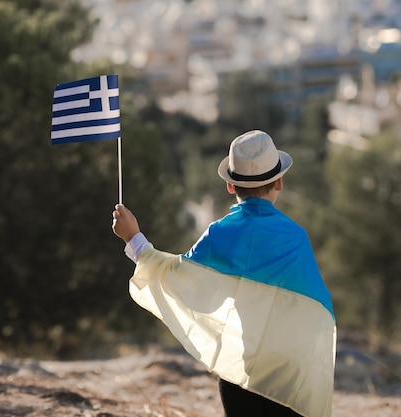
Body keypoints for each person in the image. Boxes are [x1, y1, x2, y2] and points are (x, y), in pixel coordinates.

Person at [112, 130, 336, 417]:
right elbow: (316, 308)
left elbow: (177, 278)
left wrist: (133, 238)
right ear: (279, 181)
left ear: (231, 186)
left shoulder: (219, 234)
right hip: (292, 379)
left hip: (243, 377)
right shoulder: (296, 237)